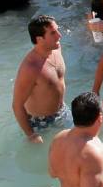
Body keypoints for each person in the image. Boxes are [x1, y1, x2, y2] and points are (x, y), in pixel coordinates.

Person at [13, 15, 68, 143]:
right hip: (40, 123)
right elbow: (17, 105)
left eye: (57, 30)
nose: (59, 36)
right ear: (39, 39)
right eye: (53, 33)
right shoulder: (30, 68)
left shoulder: (56, 49)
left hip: (63, 111)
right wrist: (31, 135)